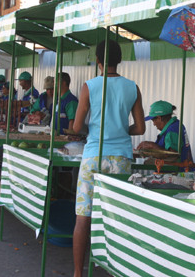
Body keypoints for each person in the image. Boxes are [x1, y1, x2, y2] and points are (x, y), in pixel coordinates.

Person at [72, 40, 145, 277]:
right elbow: (141, 128)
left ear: (98, 60)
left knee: (83, 216)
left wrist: (91, 130)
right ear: (120, 59)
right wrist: (122, 130)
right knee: (118, 216)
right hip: (122, 157)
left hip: (94, 155)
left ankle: (77, 273)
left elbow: (76, 126)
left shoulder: (89, 86)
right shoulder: (132, 87)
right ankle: (119, 269)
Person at [137, 100, 194, 169]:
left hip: (179, 173)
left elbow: (172, 156)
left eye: (154, 120)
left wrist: (152, 145)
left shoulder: (172, 130)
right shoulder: (176, 125)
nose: (154, 124)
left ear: (159, 118)